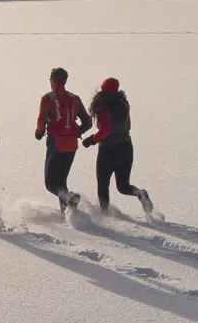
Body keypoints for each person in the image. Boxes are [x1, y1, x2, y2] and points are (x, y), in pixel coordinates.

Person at [83, 77, 154, 216]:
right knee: (123, 186)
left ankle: (104, 214)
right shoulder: (124, 106)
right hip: (126, 147)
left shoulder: (103, 108)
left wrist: (91, 140)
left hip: (108, 150)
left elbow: (105, 132)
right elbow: (128, 126)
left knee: (103, 185)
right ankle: (141, 194)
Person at [35, 67, 91, 212]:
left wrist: (39, 133)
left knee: (50, 184)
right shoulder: (75, 98)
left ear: (52, 80)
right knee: (61, 181)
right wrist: (76, 131)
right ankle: (67, 214)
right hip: (72, 144)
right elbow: (88, 122)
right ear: (65, 81)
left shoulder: (48, 98)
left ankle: (69, 198)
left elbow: (41, 120)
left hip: (56, 143)